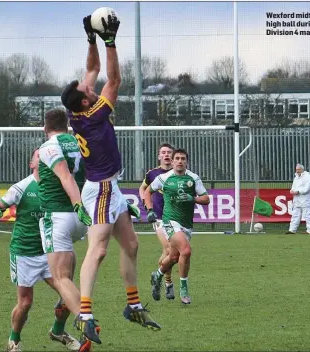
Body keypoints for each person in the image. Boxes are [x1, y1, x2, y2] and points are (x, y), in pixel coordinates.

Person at [60, 14, 160, 346]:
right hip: (101, 188)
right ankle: (84, 313)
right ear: (87, 100)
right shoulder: (92, 114)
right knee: (99, 249)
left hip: (109, 187)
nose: (91, 83)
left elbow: (93, 71)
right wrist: (111, 41)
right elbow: (114, 79)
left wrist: (91, 37)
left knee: (131, 245)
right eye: (88, 88)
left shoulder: (80, 107)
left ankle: (133, 305)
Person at [0, 148, 80, 352]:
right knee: (26, 302)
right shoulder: (21, 187)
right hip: (24, 252)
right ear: (32, 164)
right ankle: (14, 340)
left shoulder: (58, 186)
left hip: (50, 252)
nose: (45, 157)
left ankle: (58, 330)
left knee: (68, 294)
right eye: (39, 155)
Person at [38, 109, 92, 349]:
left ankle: (86, 319)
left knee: (59, 278)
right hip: (80, 221)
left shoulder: (49, 147)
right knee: (67, 282)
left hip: (59, 216)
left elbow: (66, 177)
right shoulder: (81, 143)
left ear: (45, 127)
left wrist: (77, 203)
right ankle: (58, 330)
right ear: (68, 126)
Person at [146, 148, 210, 304]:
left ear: (186, 161)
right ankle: (184, 288)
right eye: (177, 158)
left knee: (174, 257)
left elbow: (206, 199)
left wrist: (192, 198)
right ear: (173, 161)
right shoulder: (163, 178)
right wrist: (149, 210)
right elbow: (148, 191)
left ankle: (158, 275)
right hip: (169, 221)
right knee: (186, 251)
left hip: (186, 224)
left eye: (183, 158)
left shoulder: (193, 178)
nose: (180, 161)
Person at [139, 143, 175, 300]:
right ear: (159, 156)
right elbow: (143, 189)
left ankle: (158, 276)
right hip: (159, 217)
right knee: (168, 248)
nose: (166, 155)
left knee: (170, 253)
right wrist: (148, 206)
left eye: (169, 152)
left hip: (176, 217)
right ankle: (168, 284)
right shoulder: (152, 174)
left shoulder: (178, 173)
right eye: (163, 152)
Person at [285, 164, 310, 235]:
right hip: (297, 199)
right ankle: (292, 230)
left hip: (305, 199)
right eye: (297, 170)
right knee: (295, 215)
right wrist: (292, 190)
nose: (297, 171)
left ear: (302, 169)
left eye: (299, 170)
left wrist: (298, 191)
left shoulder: (307, 177)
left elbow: (307, 188)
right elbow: (293, 187)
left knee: (307, 215)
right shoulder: (296, 178)